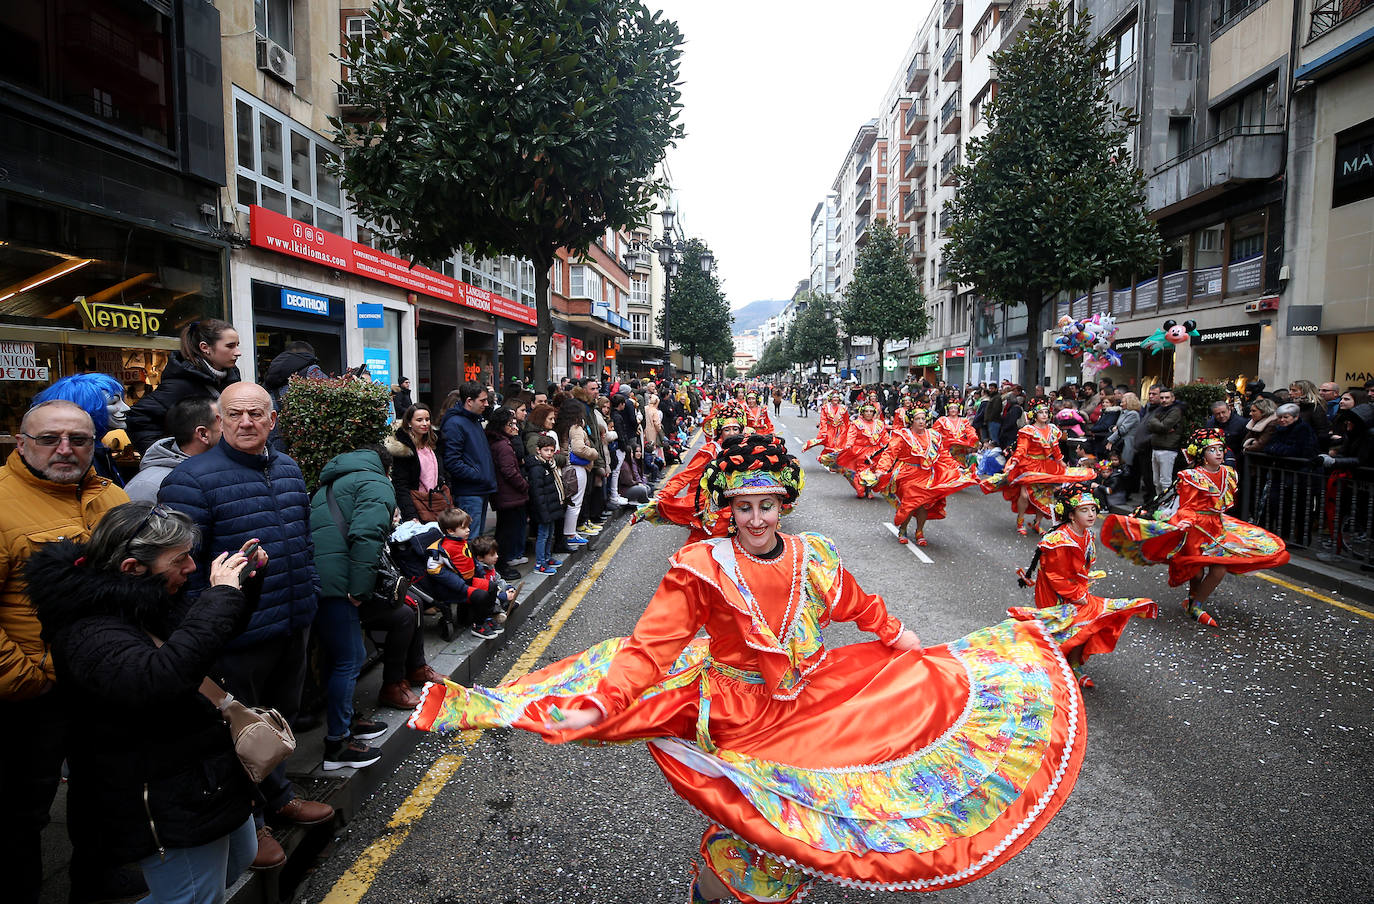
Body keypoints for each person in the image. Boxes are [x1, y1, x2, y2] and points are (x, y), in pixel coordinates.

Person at [409, 434, 1088, 903]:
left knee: (810, 821)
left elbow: (863, 605)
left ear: (783, 505)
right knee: (758, 823)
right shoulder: (702, 566)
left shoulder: (814, 556)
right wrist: (606, 701)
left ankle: (740, 882)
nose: (756, 518)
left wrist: (914, 646)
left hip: (817, 701)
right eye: (743, 507)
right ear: (727, 509)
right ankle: (716, 887)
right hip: (737, 710)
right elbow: (652, 646)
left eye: (767, 505)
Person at [28, 502, 262, 904]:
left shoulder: (145, 598)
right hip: (162, 793)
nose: (191, 567)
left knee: (240, 858)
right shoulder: (89, 631)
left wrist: (243, 585)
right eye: (181, 558)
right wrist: (220, 596)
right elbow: (162, 679)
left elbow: (199, 641)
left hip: (199, 777)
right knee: (192, 897)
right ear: (132, 568)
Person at [157, 383, 333, 866]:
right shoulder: (190, 480)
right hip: (236, 634)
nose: (246, 422)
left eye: (256, 413)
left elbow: (303, 541)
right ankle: (251, 827)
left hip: (292, 620)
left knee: (279, 719)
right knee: (236, 731)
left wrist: (310, 591)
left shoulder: (289, 468)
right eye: (235, 414)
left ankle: (279, 797)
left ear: (272, 420)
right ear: (219, 422)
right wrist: (206, 629)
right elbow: (181, 568)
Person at [0, 400, 130, 904]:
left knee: (102, 791)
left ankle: (95, 884)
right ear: (22, 444)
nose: (65, 449)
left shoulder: (111, 495)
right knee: (21, 812)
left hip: (103, 682)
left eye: (79, 440)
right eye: (49, 438)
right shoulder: (5, 501)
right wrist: (31, 678)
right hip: (33, 692)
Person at [1102, 428, 1290, 626]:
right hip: (1195, 528)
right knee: (1197, 570)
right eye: (1212, 450)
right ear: (1202, 455)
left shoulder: (1229, 473)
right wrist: (1186, 520)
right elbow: (1187, 506)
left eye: (1220, 449)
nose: (1218, 453)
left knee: (1219, 569)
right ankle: (1192, 599)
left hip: (1216, 526)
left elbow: (1223, 503)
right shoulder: (1191, 476)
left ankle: (1196, 605)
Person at [309, 444, 414, 761]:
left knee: (339, 656)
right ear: (387, 467)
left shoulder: (332, 481)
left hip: (320, 579)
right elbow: (366, 535)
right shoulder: (376, 481)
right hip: (339, 584)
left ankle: (348, 721)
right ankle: (337, 743)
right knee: (350, 658)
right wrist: (359, 588)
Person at [1010, 486, 1156, 688]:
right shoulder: (1059, 540)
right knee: (1075, 622)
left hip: (1074, 586)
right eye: (1084, 510)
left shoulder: (1087, 535)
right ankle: (1057, 665)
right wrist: (1078, 594)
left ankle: (1074, 665)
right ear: (1071, 515)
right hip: (1055, 591)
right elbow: (1056, 576)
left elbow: (1081, 567)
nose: (1091, 514)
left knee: (1086, 622)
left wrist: (1082, 585)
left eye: (1093, 510)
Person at [634, 401, 748, 542]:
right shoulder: (711, 451)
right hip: (715, 505)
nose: (731, 433)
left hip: (742, 503)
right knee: (707, 544)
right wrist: (664, 495)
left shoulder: (747, 448)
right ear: (720, 431)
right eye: (727, 429)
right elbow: (687, 474)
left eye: (735, 429)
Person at [127, 319, 242, 453]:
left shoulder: (230, 377)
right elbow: (137, 418)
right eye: (230, 346)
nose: (238, 352)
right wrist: (169, 456)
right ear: (205, 348)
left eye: (237, 345)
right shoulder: (180, 384)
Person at [982, 402, 1095, 535]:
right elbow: (1022, 449)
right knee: (1024, 495)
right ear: (1035, 415)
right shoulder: (1028, 431)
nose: (1044, 415)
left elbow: (1055, 449)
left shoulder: (1052, 430)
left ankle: (1037, 523)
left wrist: (1062, 463)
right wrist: (1014, 462)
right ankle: (1020, 520)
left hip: (1046, 465)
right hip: (1029, 465)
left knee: (1046, 495)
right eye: (1041, 412)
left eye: (1046, 412)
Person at [868, 407, 977, 546]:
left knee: (924, 505)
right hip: (907, 474)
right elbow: (890, 453)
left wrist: (956, 468)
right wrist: (881, 469)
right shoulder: (903, 435)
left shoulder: (934, 436)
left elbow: (943, 455)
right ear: (911, 421)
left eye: (923, 419)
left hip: (927, 474)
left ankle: (919, 531)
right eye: (917, 419)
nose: (921, 422)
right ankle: (903, 529)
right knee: (911, 503)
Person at [32, 372, 131, 485]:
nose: (126, 408)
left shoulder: (97, 451)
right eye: (113, 402)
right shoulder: (74, 459)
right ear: (88, 409)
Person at [424, 508, 505, 639]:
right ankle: (478, 626)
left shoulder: (462, 542)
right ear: (450, 531)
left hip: (467, 581)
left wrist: (479, 575)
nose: (468, 530)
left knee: (492, 586)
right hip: (453, 587)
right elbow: (434, 569)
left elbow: (471, 561)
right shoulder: (442, 549)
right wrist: (460, 585)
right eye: (464, 527)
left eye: (468, 526)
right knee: (481, 596)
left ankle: (486, 618)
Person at [125, 397, 221, 503]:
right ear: (203, 434)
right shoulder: (147, 486)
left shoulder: (221, 468)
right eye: (223, 423)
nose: (238, 425)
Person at [441, 381, 497, 537]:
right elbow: (452, 461)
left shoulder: (474, 420)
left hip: (479, 488)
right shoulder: (455, 423)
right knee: (469, 537)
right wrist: (478, 475)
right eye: (482, 400)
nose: (486, 404)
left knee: (476, 537)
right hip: (469, 492)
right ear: (469, 401)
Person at [486, 406, 530, 579]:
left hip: (508, 495)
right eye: (511, 424)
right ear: (502, 426)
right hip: (509, 495)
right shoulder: (502, 445)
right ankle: (501, 566)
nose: (515, 428)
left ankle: (501, 564)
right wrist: (524, 485)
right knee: (506, 533)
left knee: (506, 530)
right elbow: (509, 471)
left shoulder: (500, 442)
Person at [387, 404, 451, 523]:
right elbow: (401, 484)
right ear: (409, 423)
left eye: (427, 419)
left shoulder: (435, 443)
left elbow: (443, 473)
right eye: (419, 420)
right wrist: (411, 514)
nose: (425, 423)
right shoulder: (404, 448)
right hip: (417, 505)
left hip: (437, 502)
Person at [821, 400, 887, 497]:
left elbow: (885, 437)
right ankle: (862, 489)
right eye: (866, 411)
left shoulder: (879, 424)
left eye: (871, 411)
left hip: (876, 452)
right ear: (862, 413)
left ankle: (869, 490)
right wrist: (849, 445)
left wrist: (890, 446)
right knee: (862, 472)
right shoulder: (856, 424)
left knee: (874, 471)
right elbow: (851, 436)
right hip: (861, 452)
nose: (869, 413)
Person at [555, 398, 598, 548]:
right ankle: (571, 533)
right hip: (577, 468)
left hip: (565, 467)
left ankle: (569, 532)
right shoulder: (576, 428)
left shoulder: (561, 426)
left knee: (569, 501)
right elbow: (579, 448)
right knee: (575, 502)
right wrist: (594, 453)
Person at [525, 435, 566, 574]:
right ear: (538, 450)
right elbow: (537, 493)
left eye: (551, 450)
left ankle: (547, 558)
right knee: (543, 536)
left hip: (550, 507)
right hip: (543, 509)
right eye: (546, 450)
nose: (549, 453)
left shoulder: (547, 465)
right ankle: (540, 564)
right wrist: (543, 511)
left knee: (550, 534)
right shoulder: (537, 468)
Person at [1145, 387, 1185, 492]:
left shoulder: (1176, 411)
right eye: (1162, 397)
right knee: (1156, 481)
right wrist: (1157, 424)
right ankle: (1159, 503)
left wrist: (1154, 422)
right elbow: (1149, 425)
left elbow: (1163, 427)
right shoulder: (1159, 409)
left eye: (1167, 397)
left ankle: (1166, 505)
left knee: (1165, 481)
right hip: (1156, 447)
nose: (1164, 400)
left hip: (1168, 449)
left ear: (1173, 398)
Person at [1206, 400, 1247, 466]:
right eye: (1218, 414)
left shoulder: (1241, 423)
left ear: (1229, 410)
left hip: (1237, 460)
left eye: (1223, 412)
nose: (1221, 416)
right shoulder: (1210, 424)